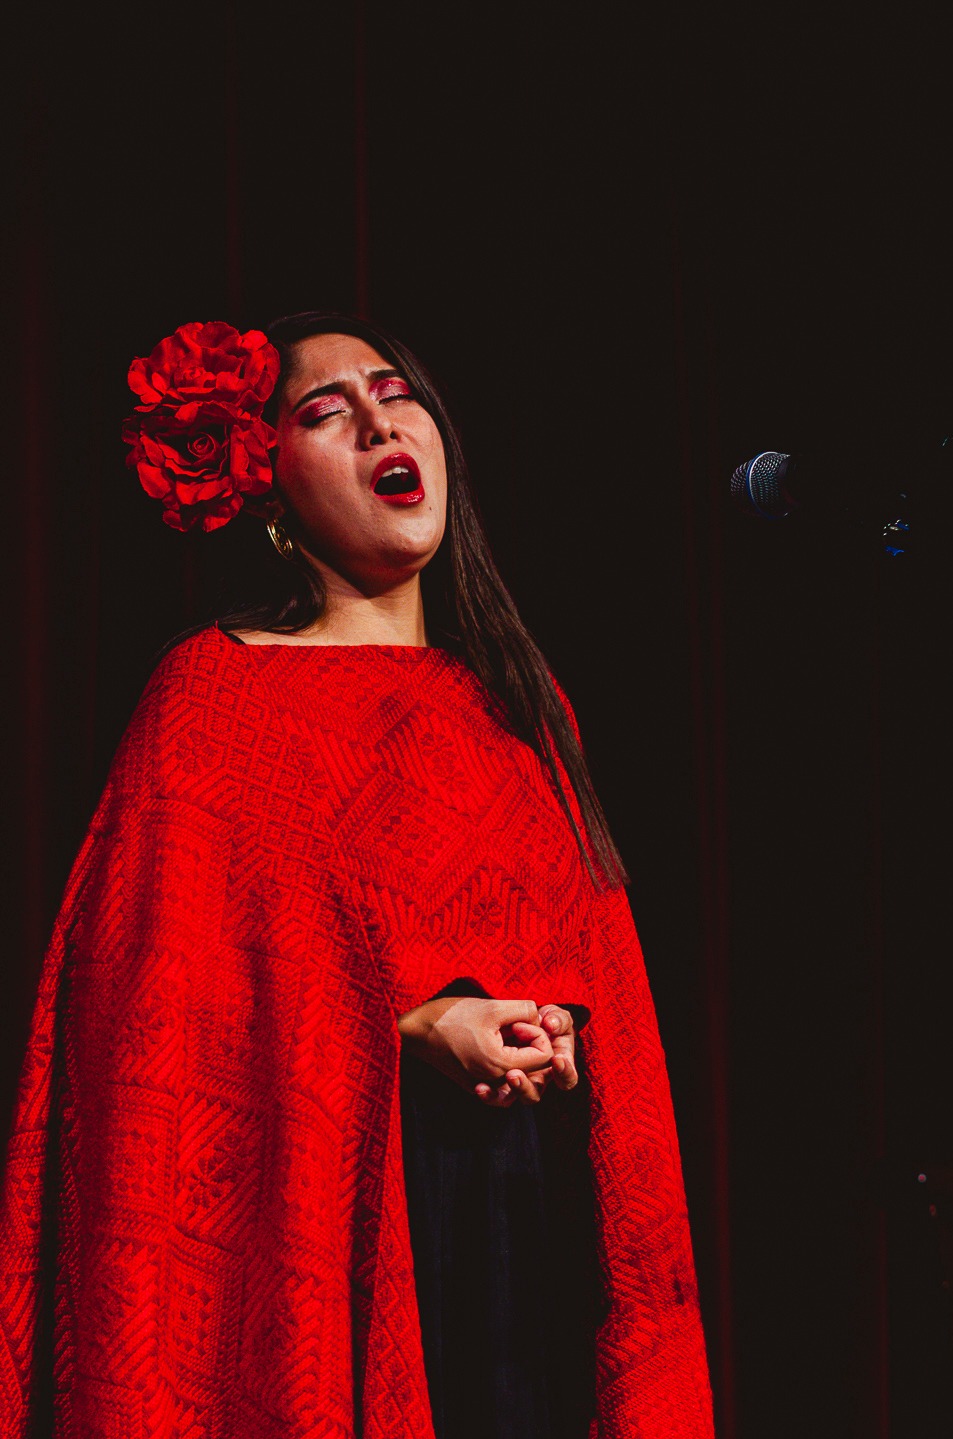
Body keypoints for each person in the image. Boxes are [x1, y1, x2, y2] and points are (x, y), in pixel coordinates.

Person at [0, 313, 715, 1438]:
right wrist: (420, 1027)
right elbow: (157, 1041)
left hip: (529, 1235)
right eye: (326, 410)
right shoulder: (214, 698)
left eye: (397, 392)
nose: (383, 417)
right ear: (269, 487)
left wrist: (566, 1034)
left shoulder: (521, 705)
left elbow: (602, 984)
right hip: (350, 1238)